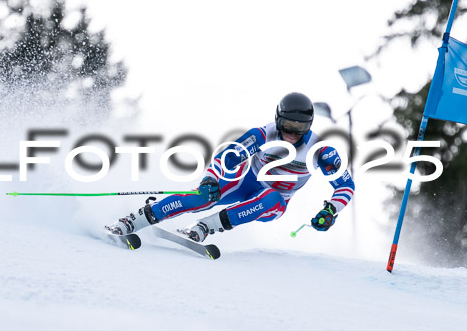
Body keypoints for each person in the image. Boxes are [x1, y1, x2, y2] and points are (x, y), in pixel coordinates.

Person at [105, 92, 355, 242]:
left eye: (300, 128)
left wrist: (331, 211)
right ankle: (134, 220)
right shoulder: (263, 134)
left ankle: (205, 227)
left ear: (309, 126)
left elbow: (346, 186)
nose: (291, 133)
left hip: (274, 203)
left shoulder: (321, 150)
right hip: (246, 184)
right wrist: (211, 178)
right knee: (205, 196)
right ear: (278, 120)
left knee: (272, 197)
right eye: (288, 125)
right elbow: (229, 156)